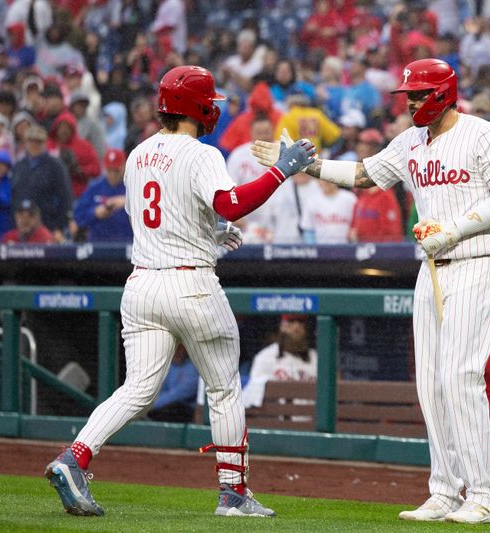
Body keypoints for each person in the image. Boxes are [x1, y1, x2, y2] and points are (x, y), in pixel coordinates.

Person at [253, 57, 490, 524]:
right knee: (431, 383)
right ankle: (444, 489)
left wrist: (454, 230)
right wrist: (304, 166)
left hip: (477, 263)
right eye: (408, 95)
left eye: (418, 94)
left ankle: (482, 495)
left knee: (461, 377)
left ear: (442, 93)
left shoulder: (484, 134)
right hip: (432, 268)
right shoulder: (410, 141)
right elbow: (363, 175)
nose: (412, 102)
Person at [43, 65, 315, 518]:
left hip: (142, 284)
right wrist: (282, 171)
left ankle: (75, 457)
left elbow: (162, 222)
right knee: (225, 388)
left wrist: (211, 235)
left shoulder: (136, 154)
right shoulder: (202, 153)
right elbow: (231, 204)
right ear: (199, 107)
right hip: (190, 284)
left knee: (136, 389)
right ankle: (233, 494)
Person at [10, 125, 73, 243]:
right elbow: (14, 197)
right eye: (31, 141)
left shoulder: (56, 166)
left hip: (48, 225)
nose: (34, 145)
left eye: (38, 142)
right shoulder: (18, 166)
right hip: (21, 229)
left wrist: (59, 227)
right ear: (26, 142)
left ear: (45, 143)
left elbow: (65, 198)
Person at [242, 314, 318, 409]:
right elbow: (252, 399)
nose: (296, 327)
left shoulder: (316, 358)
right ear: (282, 326)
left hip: (313, 420)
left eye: (300, 322)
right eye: (291, 322)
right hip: (278, 421)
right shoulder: (265, 357)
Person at [72, 148, 132, 243]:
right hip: (98, 246)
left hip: (127, 245)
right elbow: (77, 217)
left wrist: (128, 201)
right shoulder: (95, 188)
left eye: (116, 170)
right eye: (109, 170)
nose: (113, 175)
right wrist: (95, 213)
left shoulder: (133, 187)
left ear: (124, 166)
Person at [146, 345, 199, 423]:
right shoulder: (167, 366)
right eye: (175, 348)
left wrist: (150, 406)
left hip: (185, 410)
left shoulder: (194, 367)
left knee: (172, 408)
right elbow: (158, 390)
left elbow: (179, 394)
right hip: (161, 408)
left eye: (180, 348)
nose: (178, 352)